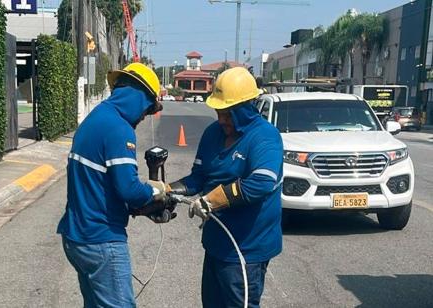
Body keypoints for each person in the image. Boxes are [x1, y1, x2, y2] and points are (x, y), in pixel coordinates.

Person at [57, 62, 177, 307]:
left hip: (77, 237)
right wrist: (158, 190)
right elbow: (129, 190)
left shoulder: (96, 118)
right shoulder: (119, 128)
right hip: (101, 240)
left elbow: (103, 187)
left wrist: (143, 208)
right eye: (148, 109)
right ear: (140, 99)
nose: (145, 116)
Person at [168, 67, 283, 308]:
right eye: (219, 111)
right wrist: (168, 190)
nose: (222, 119)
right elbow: (198, 178)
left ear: (246, 107)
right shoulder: (213, 133)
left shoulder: (265, 136)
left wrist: (210, 201)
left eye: (229, 114)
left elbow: (261, 184)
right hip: (216, 244)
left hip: (246, 250)